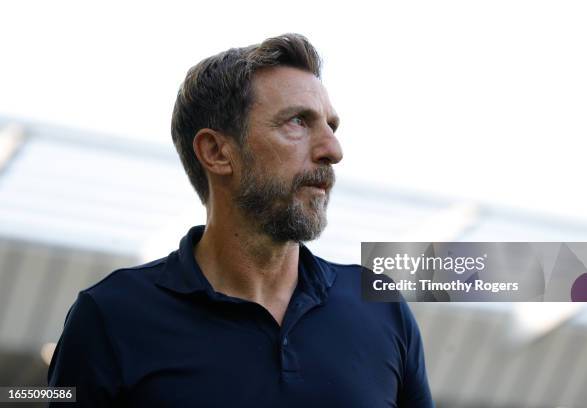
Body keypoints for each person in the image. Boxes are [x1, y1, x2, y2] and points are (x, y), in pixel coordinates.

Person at [47, 33, 434, 407]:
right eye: (298, 122)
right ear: (216, 152)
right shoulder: (110, 318)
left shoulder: (380, 306)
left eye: (330, 126)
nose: (332, 150)